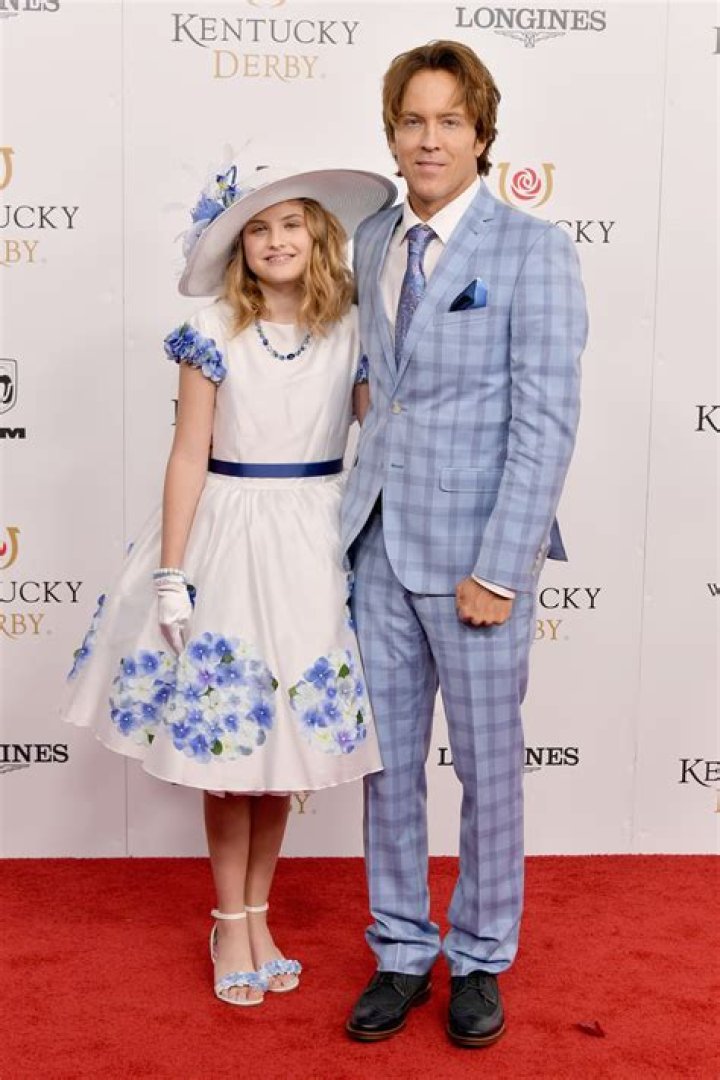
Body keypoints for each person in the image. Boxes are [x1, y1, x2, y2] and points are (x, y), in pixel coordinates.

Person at [62, 162, 395, 1006]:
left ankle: (258, 913)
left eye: (290, 224)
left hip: (315, 541)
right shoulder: (212, 329)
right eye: (257, 229)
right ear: (238, 248)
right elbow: (188, 455)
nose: (275, 241)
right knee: (230, 749)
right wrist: (172, 573)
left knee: (280, 757)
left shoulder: (354, 327)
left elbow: (384, 429)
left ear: (319, 234)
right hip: (230, 537)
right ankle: (228, 920)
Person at [343, 41, 588, 1047]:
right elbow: (373, 384)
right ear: (392, 132)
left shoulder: (534, 250)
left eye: (450, 120)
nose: (430, 139)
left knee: (488, 772)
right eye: (413, 120)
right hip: (376, 548)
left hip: (478, 561)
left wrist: (502, 566)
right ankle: (402, 949)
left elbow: (546, 424)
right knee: (388, 771)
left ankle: (481, 955)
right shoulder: (370, 238)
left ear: (482, 135)